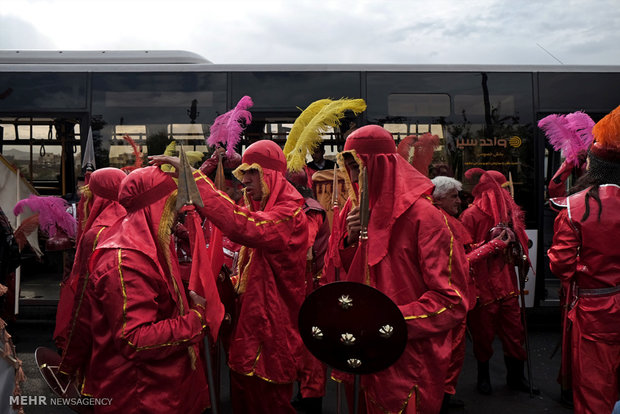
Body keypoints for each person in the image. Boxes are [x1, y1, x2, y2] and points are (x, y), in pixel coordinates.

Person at [151, 139, 309, 414]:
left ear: (270, 175)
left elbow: (244, 227)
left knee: (270, 403)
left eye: (252, 172)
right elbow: (246, 269)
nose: (245, 180)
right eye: (242, 173)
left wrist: (195, 177)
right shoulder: (263, 208)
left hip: (273, 332)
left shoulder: (290, 213)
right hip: (250, 326)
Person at [324, 125, 469, 414]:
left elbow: (451, 301)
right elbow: (340, 275)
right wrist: (351, 240)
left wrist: (384, 320)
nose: (353, 176)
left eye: (360, 166)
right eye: (349, 166)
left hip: (407, 361)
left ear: (381, 166)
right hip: (361, 353)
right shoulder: (352, 212)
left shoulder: (425, 217)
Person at [72, 166, 211, 413]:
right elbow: (135, 339)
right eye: (172, 204)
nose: (179, 212)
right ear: (155, 207)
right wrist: (196, 319)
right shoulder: (126, 262)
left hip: (156, 389)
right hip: (139, 395)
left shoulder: (148, 244)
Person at [548, 104, 620, 414]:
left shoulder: (575, 208)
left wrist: (584, 267)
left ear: (594, 166)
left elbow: (559, 265)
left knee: (595, 390)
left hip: (596, 312)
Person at [459, 169, 536, 396]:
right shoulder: (470, 216)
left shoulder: (508, 214)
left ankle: (516, 376)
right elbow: (463, 253)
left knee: (515, 332)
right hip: (483, 285)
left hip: (507, 283)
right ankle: (483, 377)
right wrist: (491, 244)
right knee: (483, 336)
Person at [54, 167, 127, 355]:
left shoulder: (97, 233)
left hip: (100, 323)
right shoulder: (133, 222)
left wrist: (72, 353)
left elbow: (84, 298)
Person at [286, 168, 330, 414]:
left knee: (311, 348)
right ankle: (304, 393)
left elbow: (306, 248)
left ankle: (311, 399)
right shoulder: (303, 207)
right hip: (302, 286)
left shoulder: (309, 210)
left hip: (311, 287)